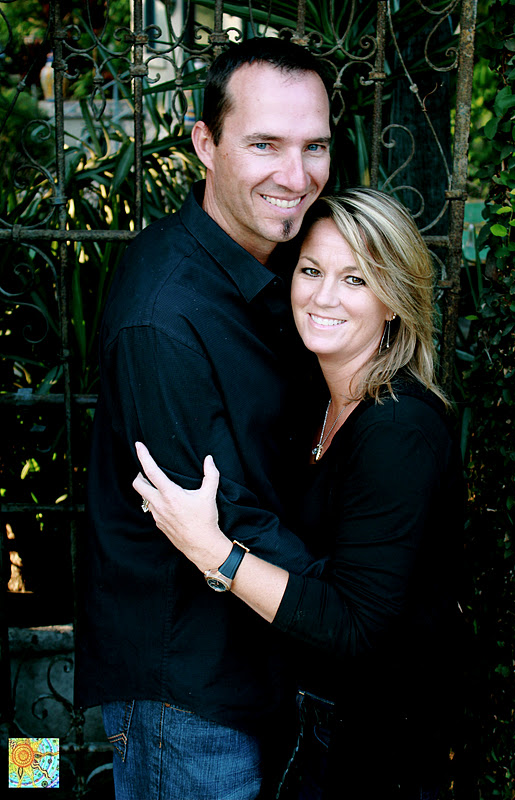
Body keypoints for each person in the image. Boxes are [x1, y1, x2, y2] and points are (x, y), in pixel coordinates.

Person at [133, 189, 465, 800]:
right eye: (311, 271)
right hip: (316, 730)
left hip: (375, 756)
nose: (323, 296)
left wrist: (213, 553)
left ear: (394, 301)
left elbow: (356, 624)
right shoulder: (321, 404)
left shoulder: (399, 430)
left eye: (355, 279)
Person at [74, 38, 332, 800]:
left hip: (253, 663)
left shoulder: (276, 263)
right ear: (204, 144)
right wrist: (357, 605)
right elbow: (224, 514)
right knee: (38, 772)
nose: (296, 176)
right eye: (264, 145)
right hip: (185, 694)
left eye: (313, 146)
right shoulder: (165, 316)